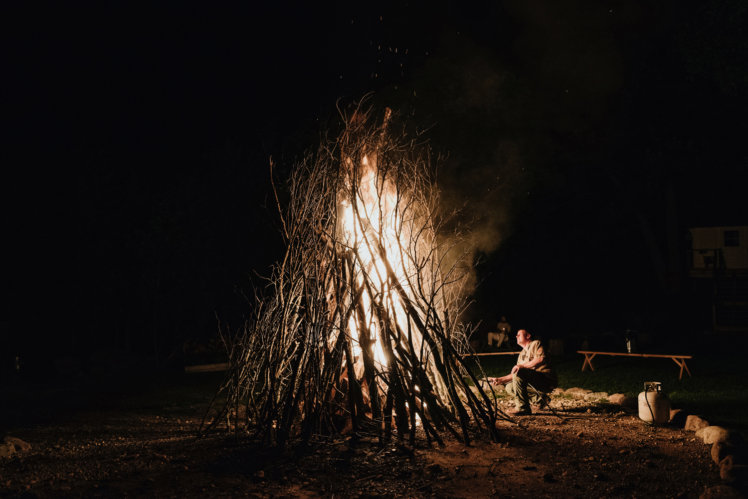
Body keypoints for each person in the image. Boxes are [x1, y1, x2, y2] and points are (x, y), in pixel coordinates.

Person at [492, 329, 557, 415]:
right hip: (533, 381)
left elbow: (540, 359)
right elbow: (516, 374)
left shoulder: (535, 344)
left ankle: (522, 408)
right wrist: (500, 379)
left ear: (528, 336)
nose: (516, 336)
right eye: (516, 335)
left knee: (520, 372)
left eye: (519, 334)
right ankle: (540, 400)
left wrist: (521, 366)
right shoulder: (521, 354)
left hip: (545, 379)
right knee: (509, 387)